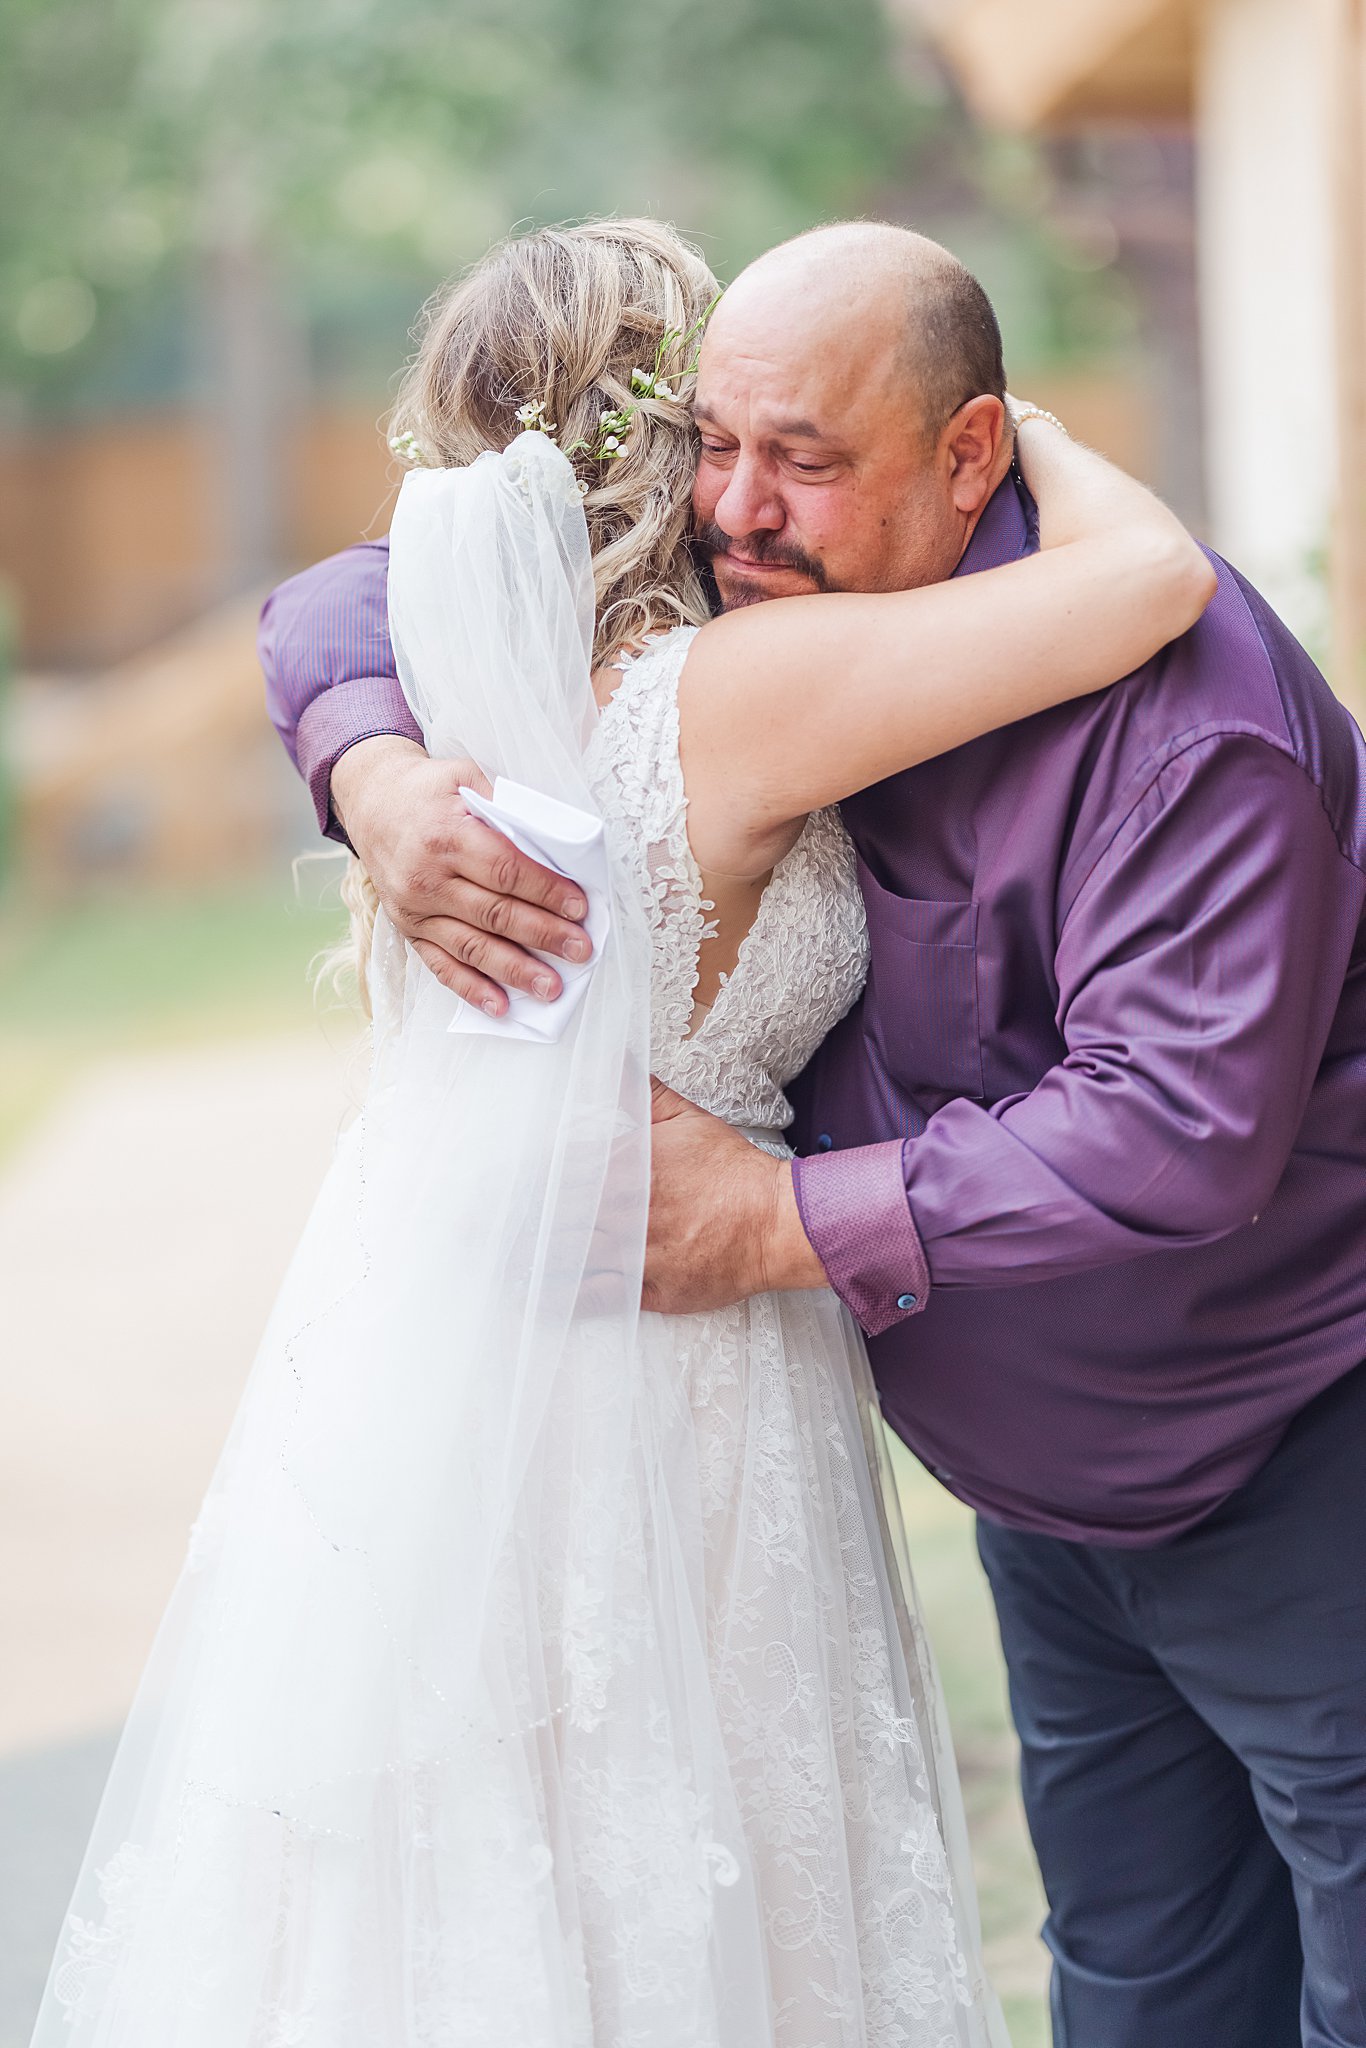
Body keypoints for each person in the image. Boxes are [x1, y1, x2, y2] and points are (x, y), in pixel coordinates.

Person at [268, 217, 1366, 2047]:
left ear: (967, 453)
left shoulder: (1184, 729)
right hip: (1032, 1506)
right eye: (711, 444)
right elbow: (361, 587)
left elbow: (1173, 1127)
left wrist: (777, 1223)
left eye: (806, 461)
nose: (740, 510)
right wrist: (367, 759)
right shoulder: (757, 625)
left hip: (1279, 1457)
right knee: (1136, 1982)